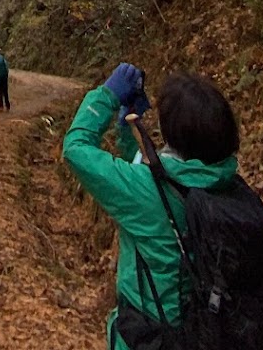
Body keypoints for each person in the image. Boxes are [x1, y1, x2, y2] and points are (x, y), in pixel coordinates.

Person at [62, 63, 244, 349]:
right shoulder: (227, 184)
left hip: (149, 336)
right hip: (208, 332)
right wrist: (128, 132)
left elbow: (76, 148)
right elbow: (167, 178)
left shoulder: (144, 193)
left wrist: (106, 96)